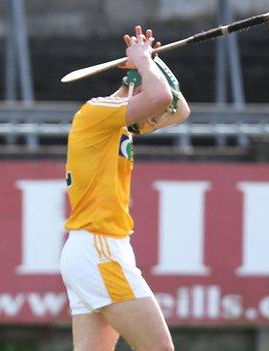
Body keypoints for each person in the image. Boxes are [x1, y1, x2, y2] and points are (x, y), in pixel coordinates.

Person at [59, 26, 190, 351]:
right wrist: (145, 63)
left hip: (95, 249)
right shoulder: (95, 112)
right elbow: (160, 97)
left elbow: (179, 110)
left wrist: (153, 64)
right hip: (98, 247)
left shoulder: (119, 125)